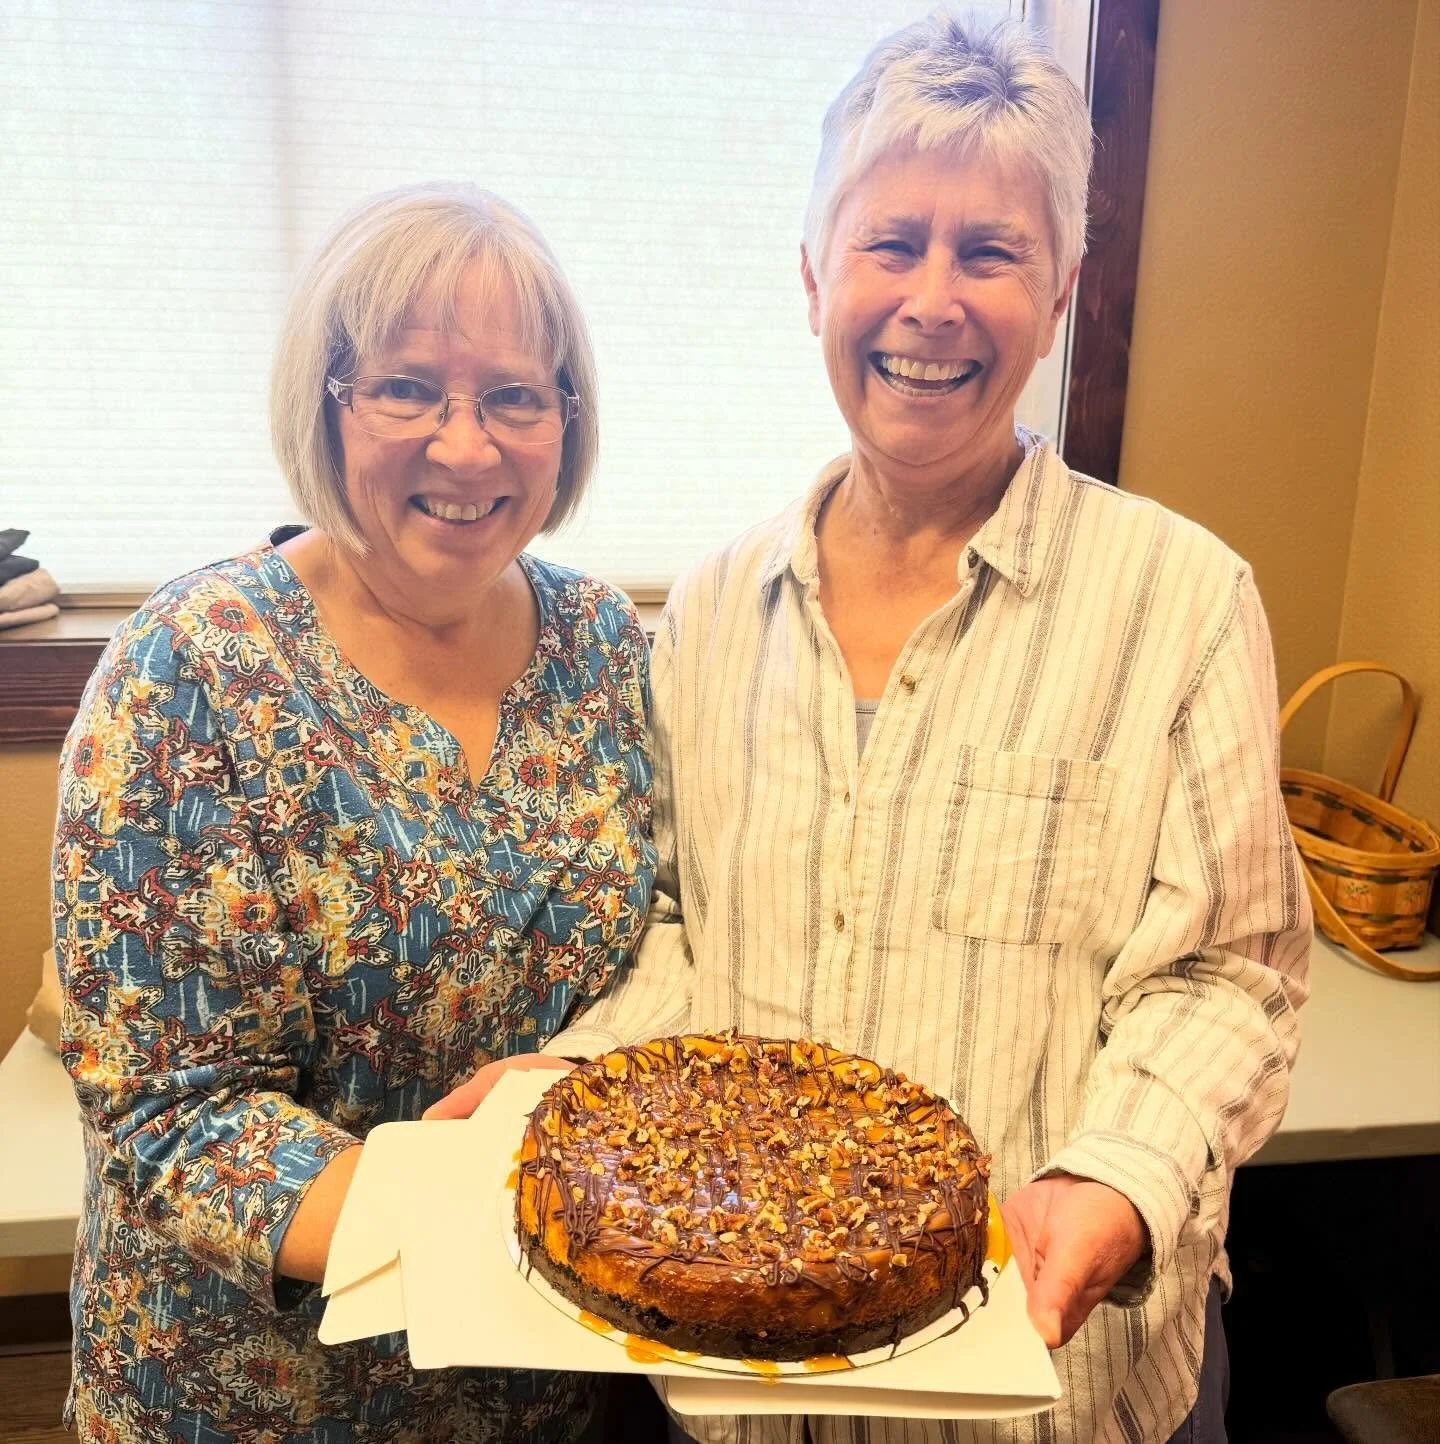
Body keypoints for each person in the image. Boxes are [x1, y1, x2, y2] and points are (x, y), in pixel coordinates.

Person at [439, 14, 1311, 1443]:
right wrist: (578, 1077)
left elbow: (1230, 973)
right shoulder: (712, 611)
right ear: (813, 276)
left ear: (1061, 289)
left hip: (1047, 1391)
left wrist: (1119, 1172)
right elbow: (681, 930)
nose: (933, 301)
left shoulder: (1184, 601)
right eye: (890, 244)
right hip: (741, 1387)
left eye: (991, 252)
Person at [52, 182, 656, 1443]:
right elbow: (173, 1116)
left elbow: (667, 932)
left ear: (567, 418)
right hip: (260, 1393)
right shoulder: (192, 669)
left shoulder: (606, 645)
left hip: (548, 1376)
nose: (466, 448)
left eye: (514, 396)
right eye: (406, 389)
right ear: (325, 406)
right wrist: (473, 1213)